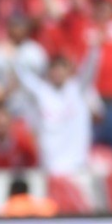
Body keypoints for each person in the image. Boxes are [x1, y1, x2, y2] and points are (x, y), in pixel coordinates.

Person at [15, 42, 101, 174]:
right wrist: (16, 55)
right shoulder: (41, 93)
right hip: (50, 166)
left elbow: (90, 69)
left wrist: (95, 48)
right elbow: (23, 77)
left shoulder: (78, 90)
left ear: (69, 71)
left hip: (77, 165)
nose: (58, 72)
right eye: (54, 68)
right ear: (48, 72)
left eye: (62, 68)